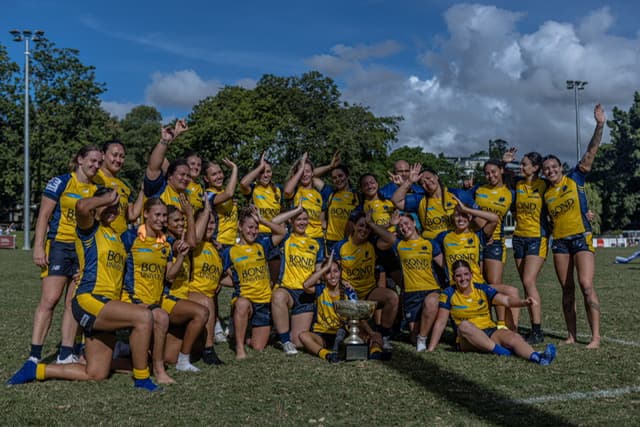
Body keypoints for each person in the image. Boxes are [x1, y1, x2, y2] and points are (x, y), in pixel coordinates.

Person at [8, 187, 159, 391]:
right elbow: (81, 206)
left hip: (107, 307)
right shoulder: (89, 229)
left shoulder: (119, 237)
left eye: (115, 208)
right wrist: (105, 198)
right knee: (143, 317)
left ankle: (36, 371)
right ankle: (142, 380)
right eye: (106, 207)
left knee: (96, 373)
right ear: (95, 207)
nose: (111, 211)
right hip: (89, 300)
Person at [29, 145, 101, 364]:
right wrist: (39, 247)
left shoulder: (97, 188)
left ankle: (66, 353)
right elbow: (44, 216)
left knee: (72, 302)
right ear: (80, 159)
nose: (96, 166)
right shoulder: (60, 182)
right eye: (92, 161)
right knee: (49, 300)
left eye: (99, 162)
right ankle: (34, 355)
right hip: (59, 245)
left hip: (82, 249)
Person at [542, 104, 606, 349]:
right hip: (560, 243)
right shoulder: (545, 193)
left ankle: (596, 337)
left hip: (581, 237)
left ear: (560, 167)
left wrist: (599, 125)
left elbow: (591, 151)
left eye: (554, 167)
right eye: (546, 169)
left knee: (586, 285)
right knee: (566, 289)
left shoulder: (575, 177)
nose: (550, 171)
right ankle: (571, 335)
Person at [427, 260, 556, 366]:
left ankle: (538, 357)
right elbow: (441, 322)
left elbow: (506, 300)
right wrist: (431, 349)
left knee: (513, 337)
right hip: (466, 338)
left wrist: (524, 302)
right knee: (464, 325)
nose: (463, 278)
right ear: (454, 278)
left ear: (471, 275)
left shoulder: (481, 288)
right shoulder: (448, 293)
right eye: (458, 276)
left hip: (489, 331)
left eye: (466, 274)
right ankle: (503, 352)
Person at [121, 198, 185, 384]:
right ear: (146, 213)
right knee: (162, 317)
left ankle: (125, 353)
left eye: (164, 215)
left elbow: (170, 276)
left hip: (154, 301)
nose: (161, 219)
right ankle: (159, 371)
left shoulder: (165, 244)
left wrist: (181, 256)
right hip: (131, 299)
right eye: (157, 214)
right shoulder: (130, 237)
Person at [435, 197, 521, 330]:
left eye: (464, 216)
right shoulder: (444, 237)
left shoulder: (477, 236)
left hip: (479, 286)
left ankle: (509, 331)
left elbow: (494, 219)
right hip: (458, 288)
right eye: (457, 215)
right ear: (453, 217)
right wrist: (445, 267)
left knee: (512, 291)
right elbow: (431, 251)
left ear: (470, 217)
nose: (460, 219)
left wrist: (467, 209)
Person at [222, 206, 287, 360]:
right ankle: (239, 348)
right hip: (245, 299)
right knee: (242, 304)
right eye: (250, 227)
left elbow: (282, 232)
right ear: (240, 227)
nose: (253, 231)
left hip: (264, 303)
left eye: (256, 228)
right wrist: (236, 283)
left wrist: (262, 219)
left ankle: (244, 330)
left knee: (258, 347)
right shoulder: (230, 252)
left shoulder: (262, 245)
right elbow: (218, 275)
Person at [333, 210, 399, 351]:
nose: (364, 230)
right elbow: (333, 272)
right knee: (359, 333)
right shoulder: (341, 246)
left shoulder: (373, 244)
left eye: (367, 227)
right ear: (354, 226)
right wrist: (341, 284)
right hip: (348, 293)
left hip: (369, 292)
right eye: (361, 225)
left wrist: (371, 223)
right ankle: (364, 334)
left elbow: (391, 240)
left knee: (392, 297)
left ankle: (383, 336)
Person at [503, 150, 549, 344]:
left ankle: (537, 331)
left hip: (537, 238)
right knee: (525, 283)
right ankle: (533, 328)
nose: (521, 167)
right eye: (520, 164)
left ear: (536, 167)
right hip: (519, 238)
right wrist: (504, 163)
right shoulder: (518, 184)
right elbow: (501, 177)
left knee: (529, 281)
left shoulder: (544, 185)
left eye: (525, 164)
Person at [299, 256, 384, 362]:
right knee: (303, 336)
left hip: (343, 333)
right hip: (322, 334)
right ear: (323, 275)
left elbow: (358, 316)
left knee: (376, 335)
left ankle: (375, 352)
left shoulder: (348, 292)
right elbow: (306, 285)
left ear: (340, 273)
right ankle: (327, 355)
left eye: (335, 271)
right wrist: (323, 269)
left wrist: (371, 333)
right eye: (328, 272)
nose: (333, 275)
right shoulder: (320, 289)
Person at [160, 199, 209, 372]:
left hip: (181, 296)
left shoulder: (180, 237)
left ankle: (205, 349)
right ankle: (184, 361)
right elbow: (191, 243)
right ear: (166, 223)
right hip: (167, 299)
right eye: (176, 221)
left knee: (169, 358)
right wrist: (189, 213)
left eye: (182, 220)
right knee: (201, 312)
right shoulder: (168, 241)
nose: (181, 223)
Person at [270, 204, 324, 354]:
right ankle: (284, 340)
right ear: (292, 221)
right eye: (298, 219)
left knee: (299, 342)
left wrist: (316, 292)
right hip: (288, 289)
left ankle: (283, 334)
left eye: (305, 219)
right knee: (278, 296)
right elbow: (274, 222)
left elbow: (318, 272)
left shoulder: (316, 243)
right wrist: (295, 210)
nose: (302, 222)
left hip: (306, 293)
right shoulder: (286, 238)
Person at [394, 214, 443, 351]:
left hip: (431, 288)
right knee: (413, 337)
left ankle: (423, 338)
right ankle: (421, 335)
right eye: (400, 226)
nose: (404, 227)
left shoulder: (430, 244)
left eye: (406, 223)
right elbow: (381, 239)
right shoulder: (399, 245)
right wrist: (390, 224)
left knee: (432, 301)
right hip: (411, 294)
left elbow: (445, 265)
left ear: (414, 223)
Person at [188, 201, 226, 365]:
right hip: (190, 295)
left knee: (173, 355)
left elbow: (220, 277)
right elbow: (195, 236)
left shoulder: (214, 249)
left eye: (213, 222)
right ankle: (209, 350)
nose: (210, 226)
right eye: (206, 222)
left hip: (206, 303)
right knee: (207, 300)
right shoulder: (193, 244)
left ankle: (201, 345)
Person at [468, 159, 514, 286]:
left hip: (495, 242)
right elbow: (462, 202)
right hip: (475, 240)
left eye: (494, 172)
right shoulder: (478, 189)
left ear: (501, 170)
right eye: (487, 173)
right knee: (478, 285)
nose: (490, 176)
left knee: (494, 285)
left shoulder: (511, 193)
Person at [239, 152, 283, 284]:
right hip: (257, 235)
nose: (265, 175)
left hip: (275, 235)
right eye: (262, 172)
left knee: (275, 279)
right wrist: (259, 167)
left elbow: (280, 213)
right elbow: (243, 183)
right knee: (257, 276)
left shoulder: (277, 190)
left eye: (268, 171)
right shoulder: (252, 189)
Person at [93, 140, 143, 233]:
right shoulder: (94, 178)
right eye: (114, 155)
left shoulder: (124, 186)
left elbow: (131, 215)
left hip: (120, 240)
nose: (118, 160)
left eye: (122, 157)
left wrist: (143, 190)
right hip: (100, 238)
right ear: (103, 155)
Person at [143, 120, 190, 211]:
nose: (168, 162)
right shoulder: (157, 187)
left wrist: (175, 134)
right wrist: (164, 140)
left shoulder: (183, 191)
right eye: (164, 159)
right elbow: (154, 165)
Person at [315, 161, 360, 252]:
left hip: (350, 241)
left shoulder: (358, 196)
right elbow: (312, 176)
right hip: (331, 241)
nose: (338, 179)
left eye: (340, 176)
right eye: (334, 178)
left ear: (347, 176)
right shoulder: (330, 193)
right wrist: (330, 166)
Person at [284, 153, 325, 246]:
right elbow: (287, 191)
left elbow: (321, 220)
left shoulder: (319, 195)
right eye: (302, 171)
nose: (304, 174)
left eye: (307, 171)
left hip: (317, 238)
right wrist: (301, 168)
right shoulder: (295, 191)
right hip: (299, 237)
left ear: (312, 173)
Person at [204, 158, 239, 248]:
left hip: (232, 243)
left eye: (220, 172)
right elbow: (229, 193)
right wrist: (234, 169)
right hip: (219, 243)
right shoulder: (208, 194)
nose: (219, 176)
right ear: (206, 179)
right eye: (214, 174)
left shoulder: (223, 193)